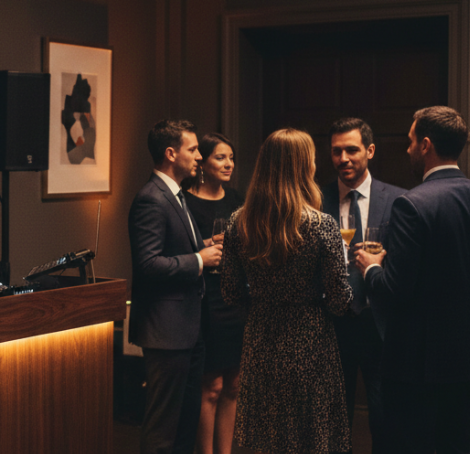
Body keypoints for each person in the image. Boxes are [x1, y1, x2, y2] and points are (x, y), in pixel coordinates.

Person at [356, 107, 470, 454]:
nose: (407, 149)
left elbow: (394, 290)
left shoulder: (412, 204)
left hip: (417, 363)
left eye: (410, 141)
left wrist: (372, 268)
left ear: (425, 145)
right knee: (458, 445)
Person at [221, 128, 352, 454]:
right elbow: (340, 301)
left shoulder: (239, 222)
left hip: (261, 339)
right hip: (310, 341)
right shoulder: (322, 225)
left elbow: (230, 292)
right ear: (303, 166)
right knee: (310, 439)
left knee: (267, 439)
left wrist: (263, 303)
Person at [128, 119, 223, 454]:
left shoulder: (175, 195)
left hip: (188, 330)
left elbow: (172, 248)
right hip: (166, 333)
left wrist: (204, 245)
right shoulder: (151, 199)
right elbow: (148, 264)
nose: (199, 157)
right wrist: (199, 259)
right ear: (171, 153)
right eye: (193, 149)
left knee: (185, 424)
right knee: (163, 429)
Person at [319, 118, 406, 454]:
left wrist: (383, 261)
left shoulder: (398, 200)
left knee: (384, 416)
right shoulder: (316, 200)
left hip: (379, 321)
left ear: (369, 150)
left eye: (352, 150)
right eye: (336, 151)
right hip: (332, 322)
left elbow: (407, 263)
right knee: (334, 418)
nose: (343, 158)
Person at [181, 133, 245, 454]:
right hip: (206, 300)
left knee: (233, 385)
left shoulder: (237, 199)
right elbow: (178, 249)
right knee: (212, 387)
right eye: (220, 157)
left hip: (236, 299)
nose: (228, 164)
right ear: (203, 163)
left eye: (231, 158)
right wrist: (205, 246)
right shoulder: (185, 202)